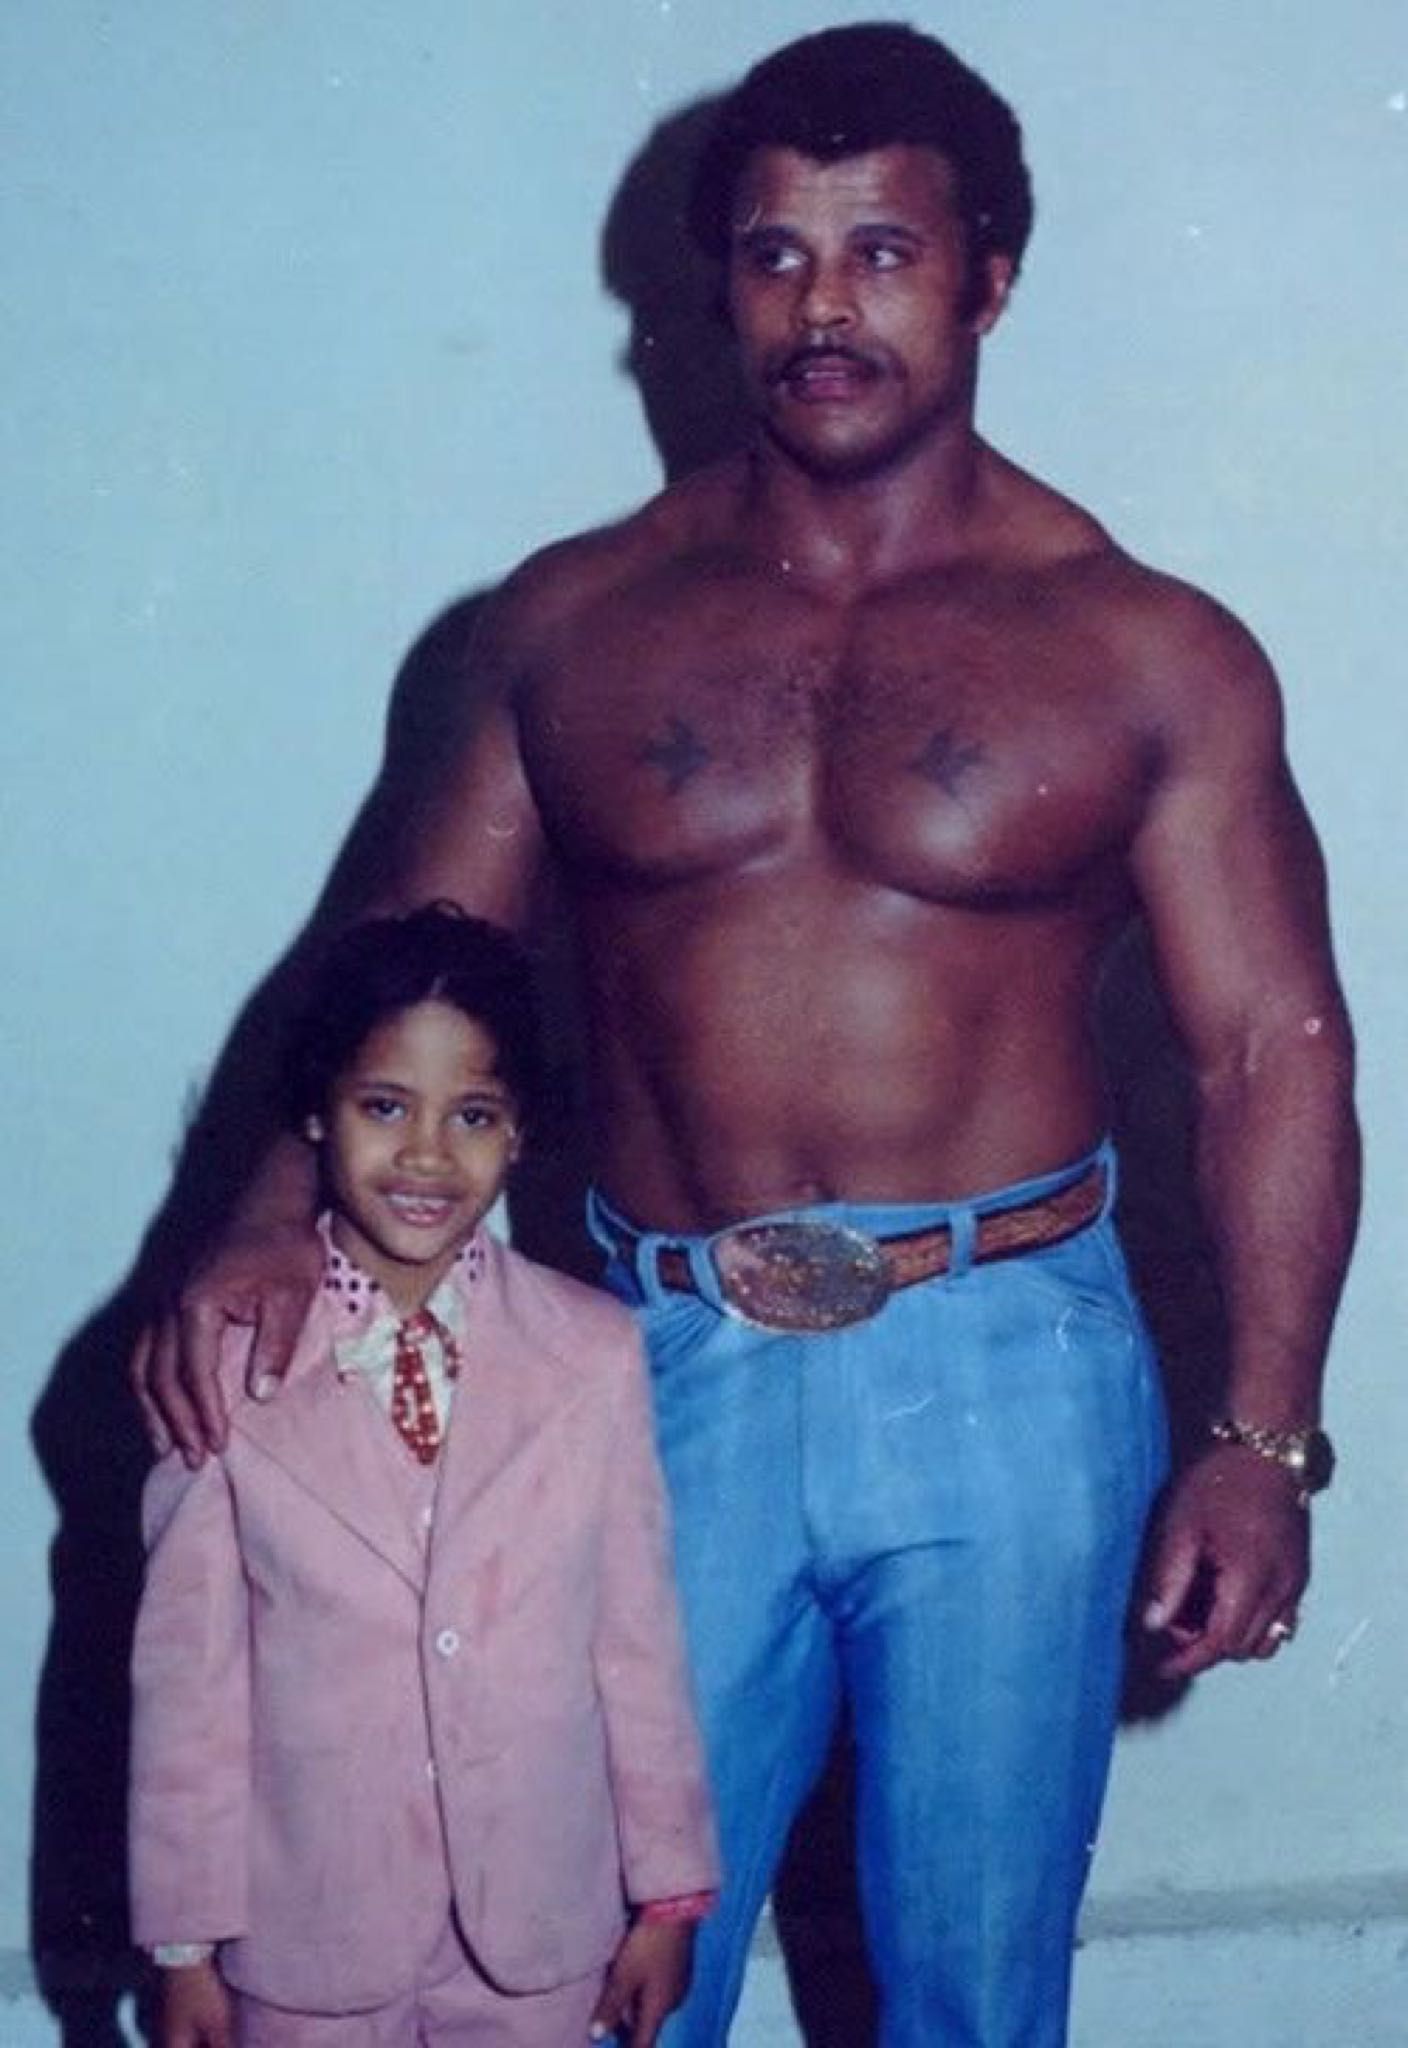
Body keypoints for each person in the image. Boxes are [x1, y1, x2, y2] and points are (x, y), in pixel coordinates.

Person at [133, 23, 1359, 2048]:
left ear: (987, 280)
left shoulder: (1141, 648)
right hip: (654, 1366)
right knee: (597, 1970)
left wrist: (1258, 1436)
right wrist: (262, 1220)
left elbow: (1265, 1049)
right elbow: (396, 951)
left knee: (968, 1996)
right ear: (713, 287)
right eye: (776, 256)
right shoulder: (574, 625)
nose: (824, 307)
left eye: (882, 252)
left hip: (1009, 1368)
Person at [128, 905, 718, 2048]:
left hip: (538, 1935)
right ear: (315, 1115)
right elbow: (189, 1683)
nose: (427, 1156)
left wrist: (671, 1894)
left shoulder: (594, 1352)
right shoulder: (223, 1362)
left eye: (475, 1115)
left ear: (522, 1133)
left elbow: (637, 1645)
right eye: (384, 1106)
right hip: (304, 1943)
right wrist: (186, 1947)